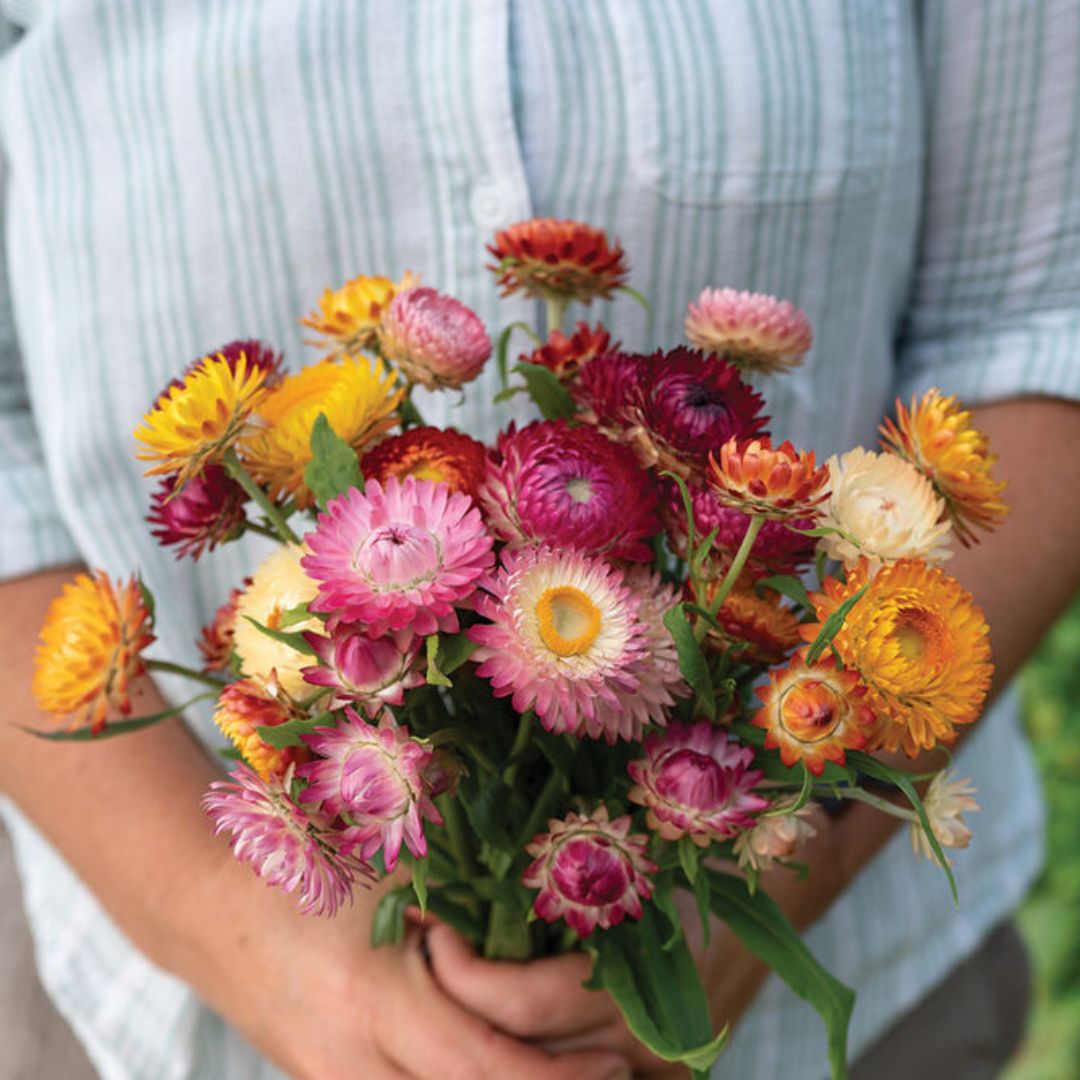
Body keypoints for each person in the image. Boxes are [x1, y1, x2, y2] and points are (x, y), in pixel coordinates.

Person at [0, 1, 1077, 1077]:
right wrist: (239, 929)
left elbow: (1042, 326)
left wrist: (785, 866)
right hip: (170, 1004)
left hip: (859, 980)